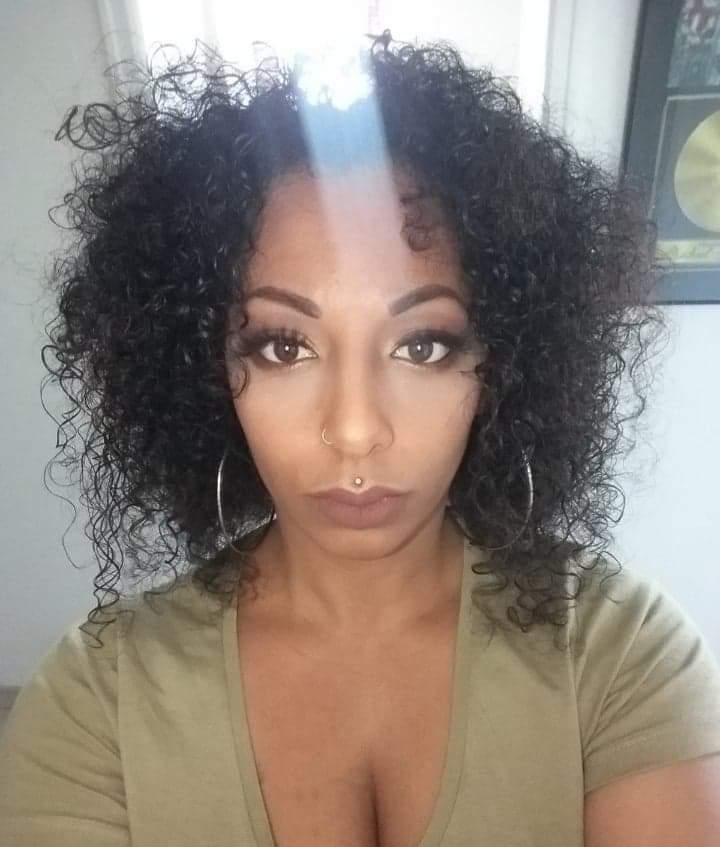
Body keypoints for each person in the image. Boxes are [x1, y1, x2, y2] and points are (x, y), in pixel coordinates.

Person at [1, 31, 719, 846]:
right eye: (283, 346)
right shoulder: (99, 698)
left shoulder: (619, 650)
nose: (354, 429)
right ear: (203, 368)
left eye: (424, 345)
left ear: (504, 361)